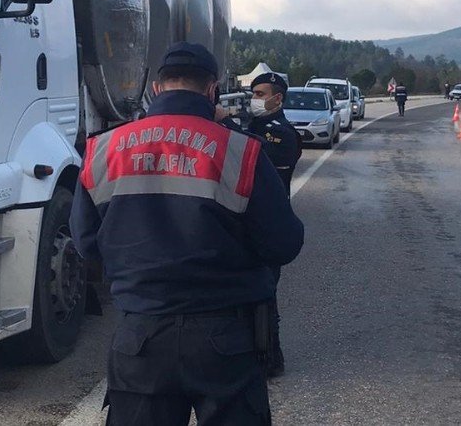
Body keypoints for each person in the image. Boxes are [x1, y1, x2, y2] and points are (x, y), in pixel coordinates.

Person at [71, 42, 304, 425]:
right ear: (212, 90)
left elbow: (85, 243)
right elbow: (283, 243)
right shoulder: (240, 151)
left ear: (157, 89)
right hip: (225, 338)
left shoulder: (103, 149)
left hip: (140, 335)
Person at [222, 71, 301, 377]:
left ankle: (271, 359)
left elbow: (253, 154)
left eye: (260, 94)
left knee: (264, 292)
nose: (255, 100)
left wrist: (226, 124)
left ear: (277, 98)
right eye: (253, 93)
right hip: (247, 219)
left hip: (267, 220)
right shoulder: (255, 124)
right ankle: (252, 351)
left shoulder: (280, 132)